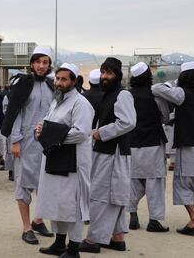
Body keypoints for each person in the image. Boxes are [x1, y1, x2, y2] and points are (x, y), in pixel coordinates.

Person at [35, 63, 93, 258]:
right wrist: (40, 131)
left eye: (64, 79)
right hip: (56, 158)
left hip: (73, 162)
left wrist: (50, 135)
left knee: (72, 205)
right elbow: (48, 124)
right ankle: (59, 244)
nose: (59, 83)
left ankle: (74, 249)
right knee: (57, 202)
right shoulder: (57, 101)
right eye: (57, 79)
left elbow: (81, 133)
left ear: (74, 81)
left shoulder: (80, 103)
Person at [79, 57, 136, 253]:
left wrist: (100, 133)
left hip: (114, 152)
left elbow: (128, 122)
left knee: (102, 195)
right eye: (103, 72)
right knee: (112, 195)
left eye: (109, 73)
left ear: (117, 75)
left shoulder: (122, 95)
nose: (105, 76)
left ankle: (94, 240)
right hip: (106, 151)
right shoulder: (109, 95)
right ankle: (117, 237)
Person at [1, 46, 55, 244]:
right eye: (38, 62)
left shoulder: (52, 85)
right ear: (31, 64)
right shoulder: (22, 84)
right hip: (25, 141)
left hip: (47, 143)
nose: (41, 66)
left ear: (49, 65)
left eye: (45, 62)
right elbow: (16, 113)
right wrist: (15, 140)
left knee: (45, 183)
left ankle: (38, 220)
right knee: (24, 183)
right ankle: (26, 227)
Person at [151, 61, 194, 236]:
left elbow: (156, 89)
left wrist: (169, 84)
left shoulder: (181, 94)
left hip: (189, 147)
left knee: (184, 184)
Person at [127, 62, 170, 232]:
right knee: (155, 183)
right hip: (153, 143)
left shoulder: (127, 95)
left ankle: (132, 216)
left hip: (132, 143)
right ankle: (154, 220)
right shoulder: (155, 95)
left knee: (133, 181)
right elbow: (165, 117)